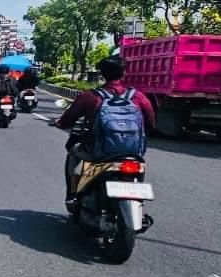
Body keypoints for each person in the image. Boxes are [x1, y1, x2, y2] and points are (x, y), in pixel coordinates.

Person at [54, 56, 156, 208]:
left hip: (99, 153)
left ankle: (73, 194)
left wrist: (60, 123)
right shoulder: (138, 97)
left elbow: (67, 119)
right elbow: (150, 123)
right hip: (133, 153)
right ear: (124, 73)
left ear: (102, 74)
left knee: (74, 153)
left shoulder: (91, 97)